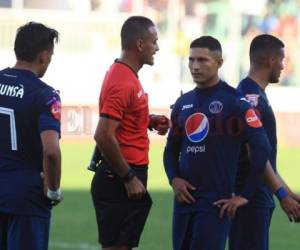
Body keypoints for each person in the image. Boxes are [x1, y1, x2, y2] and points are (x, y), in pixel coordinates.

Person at [163, 36, 272, 250]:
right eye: (191, 60)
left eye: (202, 60)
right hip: (183, 203)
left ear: (219, 63)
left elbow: (262, 148)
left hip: (215, 205)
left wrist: (244, 195)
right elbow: (170, 151)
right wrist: (174, 178)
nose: (195, 66)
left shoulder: (235, 101)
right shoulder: (183, 103)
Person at [91, 16, 169, 250]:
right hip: (120, 178)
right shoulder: (123, 80)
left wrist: (149, 120)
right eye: (154, 41)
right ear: (139, 44)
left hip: (124, 175)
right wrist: (128, 177)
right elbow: (103, 134)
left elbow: (123, 118)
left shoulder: (125, 74)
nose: (157, 47)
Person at [229, 34, 300, 250]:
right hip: (250, 198)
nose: (282, 66)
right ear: (270, 60)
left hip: (259, 196)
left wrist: (287, 192)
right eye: (281, 60)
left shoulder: (254, 94)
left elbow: (265, 158)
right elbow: (255, 155)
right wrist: (281, 195)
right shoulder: (251, 98)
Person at [0, 22, 62, 250]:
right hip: (26, 199)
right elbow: (52, 151)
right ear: (44, 56)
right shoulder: (45, 95)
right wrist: (53, 190)